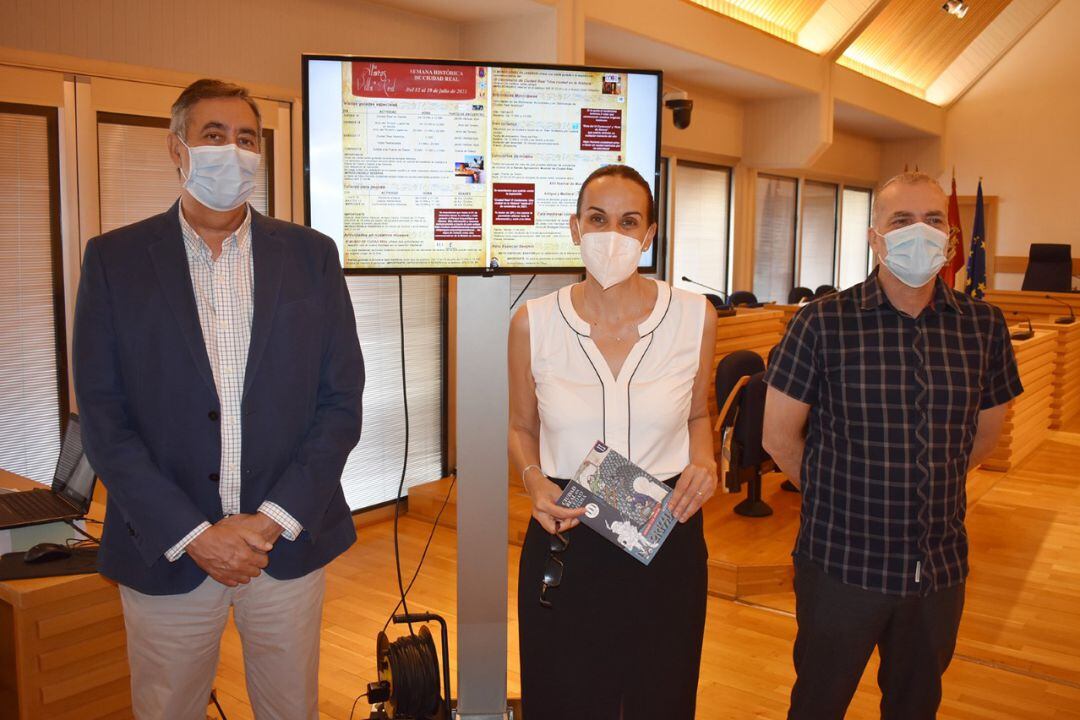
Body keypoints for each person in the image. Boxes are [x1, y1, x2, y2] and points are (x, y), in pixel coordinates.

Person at [73, 78, 364, 719]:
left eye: (246, 138)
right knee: (167, 708)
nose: (231, 151)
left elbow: (340, 401)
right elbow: (102, 419)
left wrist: (271, 520)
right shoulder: (115, 261)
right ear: (177, 148)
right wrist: (194, 533)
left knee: (292, 709)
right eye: (213, 136)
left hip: (284, 546)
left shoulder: (311, 257)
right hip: (168, 549)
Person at [762, 171, 1023, 719]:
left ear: (951, 241)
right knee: (817, 702)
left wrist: (930, 478)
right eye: (901, 220)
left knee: (915, 705)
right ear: (874, 236)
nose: (918, 232)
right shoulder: (821, 324)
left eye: (932, 220)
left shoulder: (984, 326)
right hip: (841, 566)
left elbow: (983, 438)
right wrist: (839, 491)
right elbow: (779, 438)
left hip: (938, 571)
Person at [509, 164, 718, 719]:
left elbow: (700, 414)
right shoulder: (534, 322)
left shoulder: (695, 315)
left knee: (662, 696)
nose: (612, 235)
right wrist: (533, 483)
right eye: (598, 219)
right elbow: (521, 428)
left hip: (666, 526)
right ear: (574, 227)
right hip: (568, 528)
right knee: (565, 698)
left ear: (649, 235)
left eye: (629, 222)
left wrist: (705, 461)